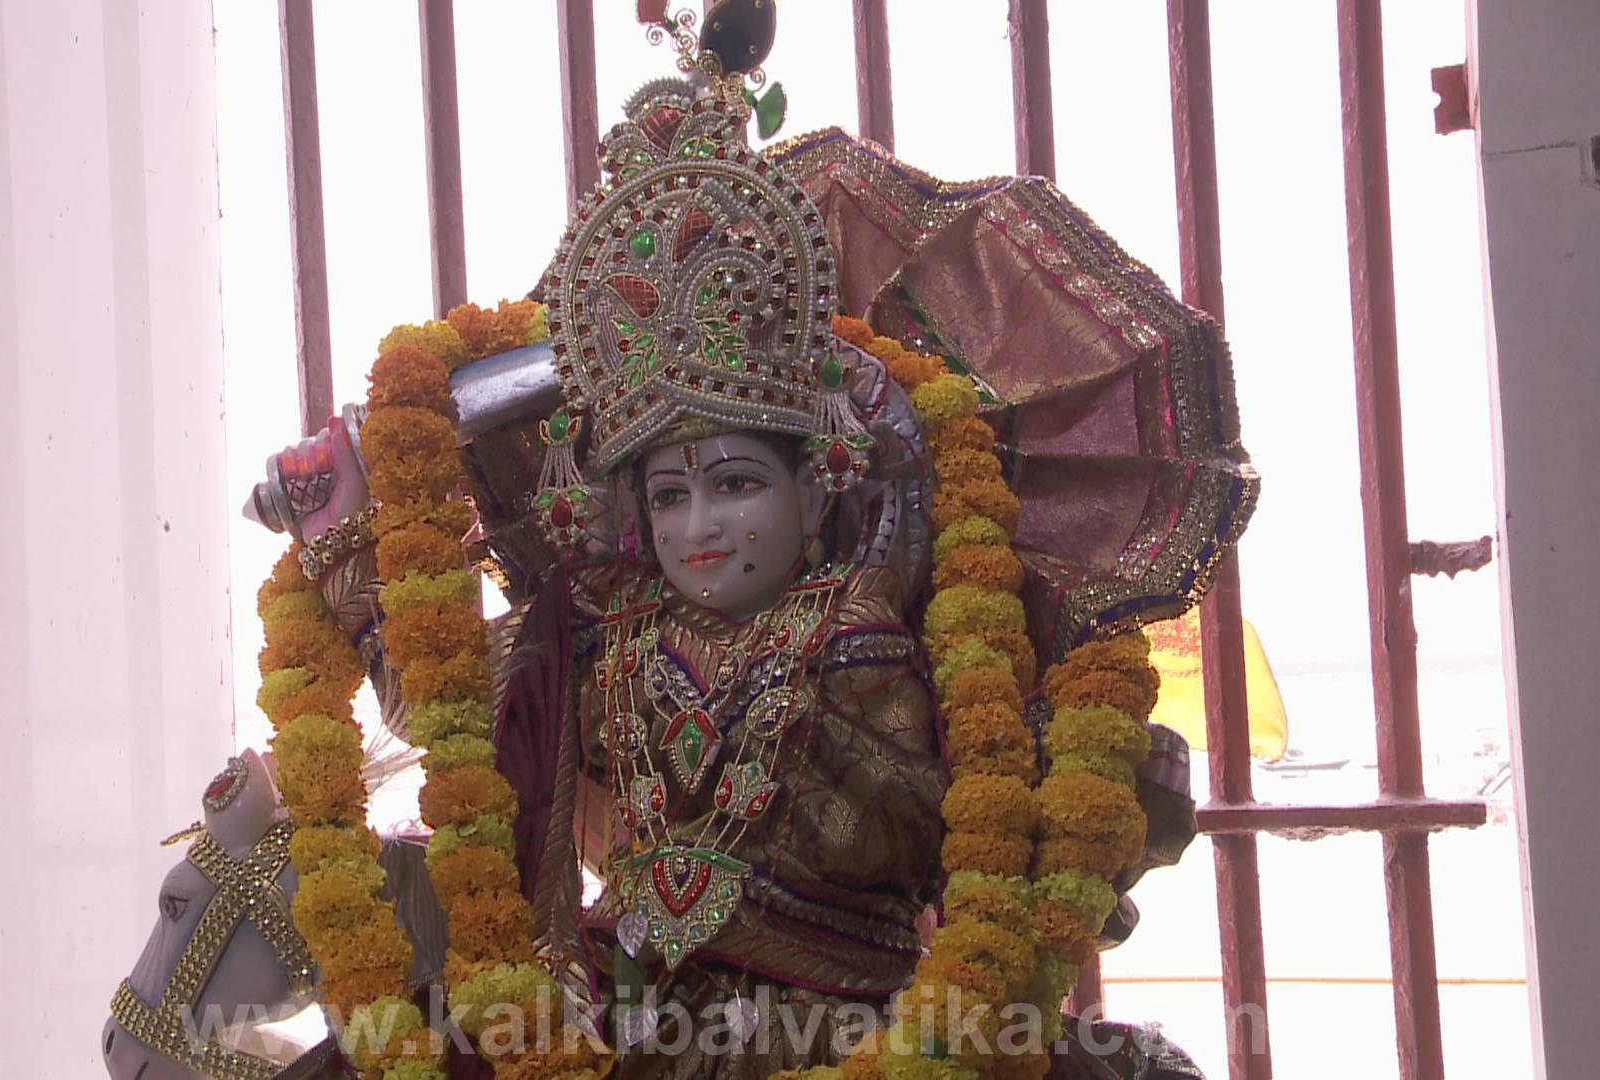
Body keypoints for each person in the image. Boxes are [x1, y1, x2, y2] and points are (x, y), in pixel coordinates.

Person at [257, 4, 1255, 1076]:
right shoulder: (608, 629)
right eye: (668, 497)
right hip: (626, 1014)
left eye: (735, 485)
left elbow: (957, 823)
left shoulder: (876, 627)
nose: (698, 528)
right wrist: (347, 547)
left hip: (849, 1020)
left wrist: (1074, 788)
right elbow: (456, 724)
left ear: (816, 483)